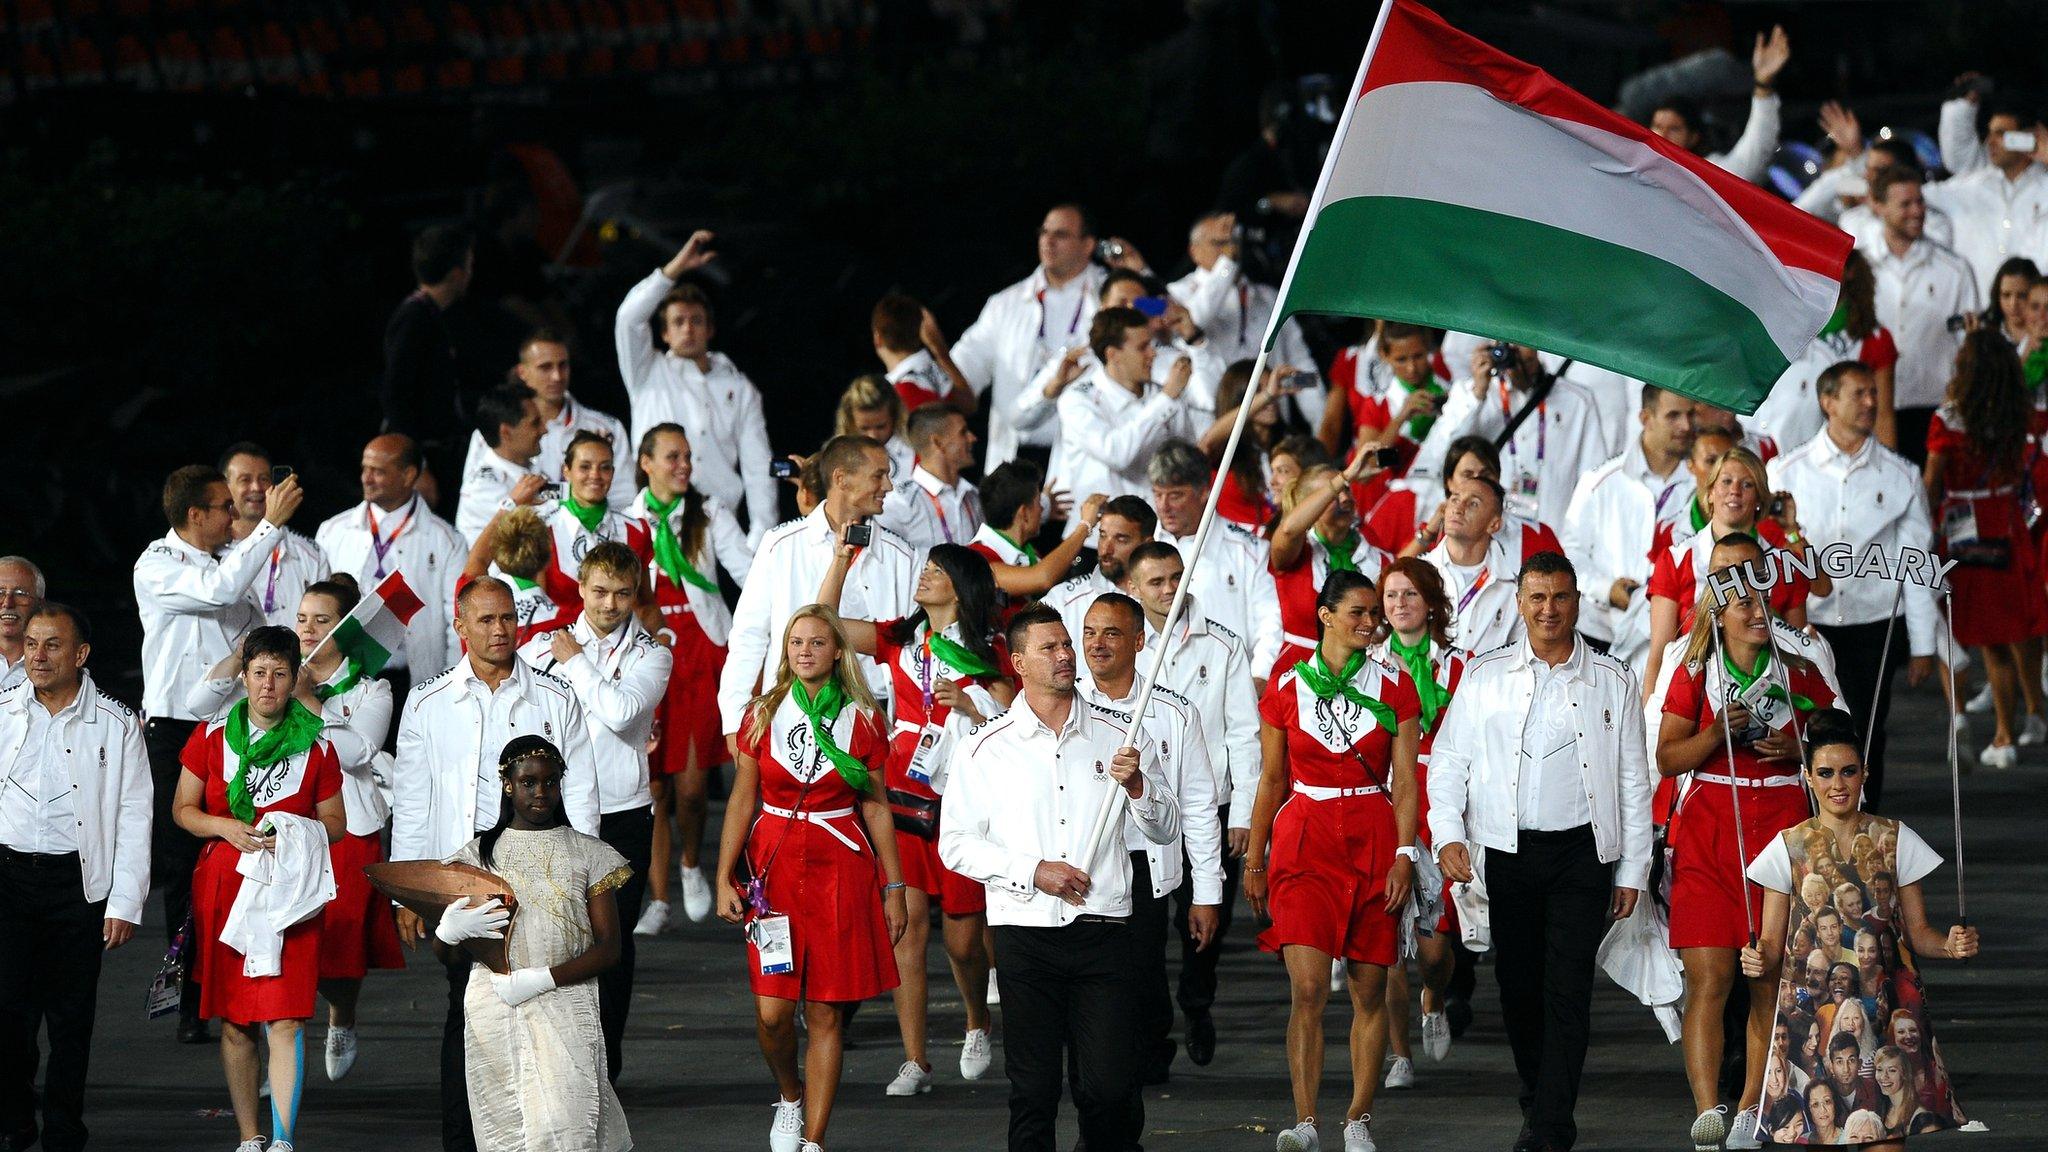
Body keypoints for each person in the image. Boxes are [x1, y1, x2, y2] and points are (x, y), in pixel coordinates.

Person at [1429, 552, 1654, 1152]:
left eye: (1559, 597)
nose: (1548, 609)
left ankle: (1553, 1123)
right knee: (1519, 985)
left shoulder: (1613, 678)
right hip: (1508, 852)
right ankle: (1538, 1096)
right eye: (1537, 598)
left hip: (1585, 854)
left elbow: (1635, 781)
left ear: (1578, 602)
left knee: (1568, 986)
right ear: (1520, 604)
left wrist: (1633, 867)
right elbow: (1450, 759)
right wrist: (1448, 831)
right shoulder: (1486, 675)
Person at [939, 603, 1180, 1152]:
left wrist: (1140, 786)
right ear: (1018, 661)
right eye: (1049, 648)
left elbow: (1165, 829)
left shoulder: (1121, 735)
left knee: (1110, 1089)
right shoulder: (985, 748)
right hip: (1027, 936)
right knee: (1033, 1090)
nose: (1067, 655)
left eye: (1066, 644)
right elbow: (955, 844)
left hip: (1106, 932)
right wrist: (1033, 871)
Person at [391, 578, 599, 1152]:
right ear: (460, 628)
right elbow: (412, 801)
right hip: (462, 893)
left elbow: (582, 798)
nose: (501, 629)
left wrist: (582, 886)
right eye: (486, 620)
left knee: (547, 1016)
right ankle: (468, 1141)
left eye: (508, 618)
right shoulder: (427, 703)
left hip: (545, 887)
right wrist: (406, 895)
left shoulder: (556, 699)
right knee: (470, 1014)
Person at [185, 580, 403, 1083]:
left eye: (322, 620)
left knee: (338, 955)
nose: (308, 629)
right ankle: (276, 1054)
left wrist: (307, 699)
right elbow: (199, 704)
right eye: (302, 618)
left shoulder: (371, 688)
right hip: (269, 839)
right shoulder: (268, 676)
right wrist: (243, 661)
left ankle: (341, 1016)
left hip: (343, 830)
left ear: (345, 629)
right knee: (270, 946)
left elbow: (356, 753)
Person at [1656, 557, 1839, 1150]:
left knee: (1767, 978)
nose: (1760, 613)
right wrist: (1715, 735)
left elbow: (1842, 741)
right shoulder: (1693, 671)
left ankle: (1747, 1107)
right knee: (1708, 977)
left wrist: (1799, 744)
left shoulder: (1798, 668)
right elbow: (1667, 757)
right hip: (1710, 828)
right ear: (1721, 613)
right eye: (1746, 605)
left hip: (1781, 828)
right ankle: (1707, 1107)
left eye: (1764, 603)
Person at [1739, 709, 1980, 1148]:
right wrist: (1756, 958)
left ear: (1864, 774)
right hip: (1811, 1023)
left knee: (1887, 1141)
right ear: (1808, 777)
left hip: (1885, 1018)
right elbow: (1772, 946)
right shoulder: (1786, 847)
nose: (1838, 784)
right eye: (1826, 773)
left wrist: (1949, 945)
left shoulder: (1895, 837)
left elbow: (1918, 934)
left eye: (1848, 772)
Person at [819, 543, 1010, 1096]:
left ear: (962, 586)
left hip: (964, 794)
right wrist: (840, 561)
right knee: (905, 925)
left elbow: (1013, 711)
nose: (923, 576)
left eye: (936, 570)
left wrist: (972, 708)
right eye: (924, 568)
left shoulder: (990, 648)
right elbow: (824, 623)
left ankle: (977, 1020)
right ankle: (916, 1060)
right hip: (902, 788)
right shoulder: (900, 639)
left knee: (964, 942)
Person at [713, 607, 906, 1152]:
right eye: (795, 642)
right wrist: (725, 874)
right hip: (774, 872)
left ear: (837, 651)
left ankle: (814, 1141)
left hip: (840, 868)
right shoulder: (763, 711)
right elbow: (742, 797)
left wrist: (894, 887)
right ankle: (790, 1095)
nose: (804, 651)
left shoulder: (864, 717)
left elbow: (876, 808)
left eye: (816, 642)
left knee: (825, 1011)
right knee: (772, 1014)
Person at [1245, 571, 1420, 1152]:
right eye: (1357, 612)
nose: (1371, 623)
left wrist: (1403, 853)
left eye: (1376, 613)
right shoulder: (1287, 684)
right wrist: (1253, 857)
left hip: (1373, 837)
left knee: (1371, 991)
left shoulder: (1396, 685)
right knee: (1309, 989)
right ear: (1324, 615)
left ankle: (1357, 1117)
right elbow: (1272, 778)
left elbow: (1405, 785)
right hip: (1304, 842)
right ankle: (1305, 1121)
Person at [136, 463, 306, 1044]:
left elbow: (253, 631)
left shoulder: (227, 565)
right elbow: (221, 592)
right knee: (185, 869)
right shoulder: (157, 565)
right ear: (194, 515)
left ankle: (240, 981)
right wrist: (272, 528)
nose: (235, 515)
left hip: (236, 727)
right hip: (178, 729)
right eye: (223, 507)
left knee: (247, 852)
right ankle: (188, 997)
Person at [172, 626, 347, 1152]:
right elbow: (183, 810)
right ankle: (250, 1136)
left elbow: (336, 822)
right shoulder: (211, 735)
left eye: (279, 674)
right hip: (225, 887)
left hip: (289, 890)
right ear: (243, 676)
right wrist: (225, 827)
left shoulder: (316, 743)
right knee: (236, 1021)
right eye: (258, 673)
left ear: (295, 679)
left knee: (288, 1017)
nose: (268, 684)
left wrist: (290, 831)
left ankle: (285, 1138)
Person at [516, 542, 671, 1082]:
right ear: (579, 588)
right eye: (599, 591)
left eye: (622, 593)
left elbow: (624, 711)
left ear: (635, 594)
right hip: (549, 815)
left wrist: (576, 663)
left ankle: (604, 1066)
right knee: (548, 937)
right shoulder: (538, 649)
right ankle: (554, 1064)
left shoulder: (653, 653)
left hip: (622, 815)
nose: (609, 604)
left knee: (611, 944)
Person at [0, 604, 151, 1152]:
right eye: (32, 644)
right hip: (8, 880)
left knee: (70, 1021)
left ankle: (64, 1131)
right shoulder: (3, 709)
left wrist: (125, 902)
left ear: (81, 654)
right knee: (8, 1015)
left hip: (77, 887)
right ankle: (15, 1117)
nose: (37, 656)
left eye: (52, 645)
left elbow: (136, 813)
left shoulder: (116, 723)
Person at [435, 735, 631, 1152]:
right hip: (494, 1003)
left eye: (550, 782)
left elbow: (610, 948)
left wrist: (541, 979)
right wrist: (446, 932)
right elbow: (450, 955)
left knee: (567, 1120)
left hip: (566, 999)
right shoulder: (476, 857)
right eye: (529, 783)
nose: (541, 793)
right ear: (508, 785)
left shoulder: (589, 853)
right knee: (505, 1125)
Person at [1769, 362, 1941, 805]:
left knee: (1865, 732)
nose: (1871, 402)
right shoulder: (1785, 472)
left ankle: (1866, 837)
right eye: (1858, 393)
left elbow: (1917, 565)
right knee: (1806, 729)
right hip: (1806, 626)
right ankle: (1810, 831)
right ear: (1827, 402)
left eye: (1873, 393)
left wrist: (1924, 643)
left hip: (1874, 625)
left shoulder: (1901, 475)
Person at [1076, 593, 1223, 1094]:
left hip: (1142, 868)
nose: (1097, 644)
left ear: (1140, 642)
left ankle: (1145, 1059)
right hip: (1077, 864)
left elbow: (1200, 808)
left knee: (1141, 976)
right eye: (1090, 632)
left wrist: (1206, 894)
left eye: (1111, 633)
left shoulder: (1175, 714)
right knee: (1085, 979)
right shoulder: (1057, 705)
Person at [1121, 541, 1260, 1066]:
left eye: (1176, 577)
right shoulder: (1122, 647)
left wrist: (1244, 811)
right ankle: (1155, 1035)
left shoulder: (1223, 646)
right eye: (1155, 581)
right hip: (1141, 810)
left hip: (1211, 806)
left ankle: (1198, 1005)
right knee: (1146, 930)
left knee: (1204, 922)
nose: (1169, 589)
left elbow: (1246, 734)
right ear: (1132, 587)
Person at [627, 424, 753, 932]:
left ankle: (691, 864)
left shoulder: (709, 512)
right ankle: (658, 900)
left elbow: (745, 569)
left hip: (701, 646)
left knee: (696, 786)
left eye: (688, 456)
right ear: (646, 462)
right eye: (672, 456)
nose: (684, 465)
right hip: (645, 648)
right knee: (653, 785)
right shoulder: (627, 519)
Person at [718, 435, 919, 751]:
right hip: (792, 716)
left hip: (874, 722)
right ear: (841, 478)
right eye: (879, 475)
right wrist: (734, 721)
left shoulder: (903, 557)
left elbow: (911, 651)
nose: (889, 487)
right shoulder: (780, 545)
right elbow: (748, 636)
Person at [1365, 559, 1469, 1088]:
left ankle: (1435, 995)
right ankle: (1399, 1054)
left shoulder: (1464, 665)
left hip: (1446, 808)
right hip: (1389, 803)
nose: (1398, 603)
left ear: (1432, 602)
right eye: (1390, 595)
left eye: (1409, 594)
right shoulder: (1368, 668)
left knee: (1433, 951)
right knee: (1388, 939)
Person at [1925, 329, 2048, 767]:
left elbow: (1931, 486)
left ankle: (1975, 723)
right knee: (2003, 637)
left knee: (1950, 628)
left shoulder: (1949, 420)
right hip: (2008, 529)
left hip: (1962, 529)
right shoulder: (2019, 417)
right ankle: (2008, 731)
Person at [614, 230, 778, 545]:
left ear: (710, 328)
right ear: (663, 333)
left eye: (696, 320)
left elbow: (758, 464)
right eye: (678, 322)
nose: (687, 328)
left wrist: (761, 534)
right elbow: (628, 318)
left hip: (717, 525)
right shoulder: (647, 371)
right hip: (654, 522)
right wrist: (673, 270)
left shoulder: (739, 387)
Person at [1641, 446, 1817, 703]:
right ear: (1709, 493)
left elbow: (1796, 648)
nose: (1735, 490)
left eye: (1747, 485)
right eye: (1726, 481)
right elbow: (1659, 652)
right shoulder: (1676, 559)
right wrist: (1650, 720)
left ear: (1759, 501)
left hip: (1771, 700)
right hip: (1693, 701)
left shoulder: (1783, 563)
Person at [949, 204, 1108, 470]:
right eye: (1044, 232)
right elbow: (964, 367)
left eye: (1060, 234)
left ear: (1088, 244)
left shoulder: (1115, 293)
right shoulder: (1005, 304)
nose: (1047, 240)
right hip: (1013, 457)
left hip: (1082, 458)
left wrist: (1142, 274)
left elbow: (1166, 311)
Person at [315, 434, 467, 708]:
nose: (366, 478)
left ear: (408, 475)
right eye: (365, 468)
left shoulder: (447, 540)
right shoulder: (333, 531)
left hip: (412, 681)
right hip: (342, 682)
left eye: (378, 471)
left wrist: (452, 684)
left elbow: (455, 620)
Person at [1563, 386, 1698, 664]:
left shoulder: (1704, 485)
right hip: (1601, 634)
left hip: (1674, 640)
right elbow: (1570, 553)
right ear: (1645, 418)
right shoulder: (1600, 481)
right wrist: (1606, 588)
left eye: (1690, 415)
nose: (1685, 425)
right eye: (1673, 416)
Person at [1858, 165, 1980, 465]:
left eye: (1920, 202)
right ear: (1879, 206)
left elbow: (1971, 345)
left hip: (1934, 410)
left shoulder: (1955, 269)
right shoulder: (1858, 270)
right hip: (1867, 410)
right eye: (1905, 204)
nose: (1917, 211)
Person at [1425, 342, 1608, 529]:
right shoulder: (1471, 393)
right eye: (1508, 345)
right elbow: (1442, 456)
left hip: (1553, 531)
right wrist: (1477, 394)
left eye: (1522, 345)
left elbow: (1593, 478)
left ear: (1537, 345)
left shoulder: (1577, 400)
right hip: (1488, 533)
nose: (1516, 355)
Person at [1167, 211, 1322, 422]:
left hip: (1272, 423)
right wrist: (1226, 266)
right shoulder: (1177, 294)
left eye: (1233, 242)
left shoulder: (1268, 297)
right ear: (1195, 252)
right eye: (1218, 243)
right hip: (1216, 422)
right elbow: (1196, 320)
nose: (1231, 249)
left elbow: (1299, 361)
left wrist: (1320, 421)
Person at [1150, 438, 1285, 680]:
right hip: (1161, 686)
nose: (1164, 506)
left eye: (1176, 495)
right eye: (1158, 495)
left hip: (1231, 685)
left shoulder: (1249, 549)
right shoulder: (1144, 545)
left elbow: (1270, 620)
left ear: (1204, 492)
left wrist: (1259, 677)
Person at [459, 330, 636, 512]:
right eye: (545, 367)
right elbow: (474, 500)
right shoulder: (490, 433)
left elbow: (624, 500)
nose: (557, 376)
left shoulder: (606, 428)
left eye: (563, 366)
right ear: (522, 372)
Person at [1045, 307, 1199, 504]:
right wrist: (1167, 398)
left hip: (1157, 528)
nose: (1152, 353)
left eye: (1151, 345)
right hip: (1099, 530)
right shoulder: (1076, 400)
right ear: (1113, 354)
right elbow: (1116, 453)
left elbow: (1187, 458)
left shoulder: (1163, 396)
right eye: (1142, 347)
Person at [1267, 453, 1393, 686]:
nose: (1345, 499)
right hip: (1298, 676)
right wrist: (1345, 476)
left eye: (1348, 490)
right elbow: (1288, 530)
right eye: (1334, 494)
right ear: (1309, 505)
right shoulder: (1297, 554)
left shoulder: (1380, 559)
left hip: (1363, 678)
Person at [1755, 251, 1899, 452]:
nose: (1817, 273)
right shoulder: (1776, 326)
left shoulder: (1873, 339)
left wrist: (1889, 469)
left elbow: (1882, 416)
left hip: (1835, 457)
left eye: (1826, 261)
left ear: (1849, 271)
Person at [380, 223, 472, 504]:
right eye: (469, 265)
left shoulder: (434, 316)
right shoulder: (414, 318)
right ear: (457, 274)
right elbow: (396, 395)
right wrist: (415, 467)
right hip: (424, 456)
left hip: (441, 451)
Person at [1922, 99, 2048, 297]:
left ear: (2028, 137)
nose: (1990, 141)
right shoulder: (1972, 186)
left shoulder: (2045, 185)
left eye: (2001, 134)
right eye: (1990, 133)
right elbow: (1911, 196)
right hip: (1979, 315)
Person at [965, 461, 1107, 631]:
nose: (1042, 509)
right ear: (1024, 513)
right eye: (1039, 502)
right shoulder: (977, 559)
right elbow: (1042, 578)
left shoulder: (1028, 553)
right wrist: (1085, 525)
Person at [530, 432, 653, 621]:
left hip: (619, 646)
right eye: (585, 467)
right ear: (566, 471)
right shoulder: (539, 527)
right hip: (558, 641)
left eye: (604, 467)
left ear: (612, 472)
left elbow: (645, 604)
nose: (595, 475)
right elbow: (535, 609)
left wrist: (662, 633)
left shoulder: (636, 530)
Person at [1645, 26, 1791, 184]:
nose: (1663, 134)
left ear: (1693, 138)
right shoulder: (1631, 166)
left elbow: (1754, 151)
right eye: (1657, 126)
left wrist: (1763, 84)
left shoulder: (1705, 177)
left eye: (1674, 129)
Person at [218, 444, 332, 629]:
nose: (256, 487)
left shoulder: (309, 553)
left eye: (264, 479)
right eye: (245, 479)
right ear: (224, 486)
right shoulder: (209, 553)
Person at [1319, 323, 1450, 473]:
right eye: (1401, 359)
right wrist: (1400, 419)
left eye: (1418, 356)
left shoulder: (1450, 388)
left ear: (1429, 349)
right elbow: (1368, 464)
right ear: (1384, 355)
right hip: (1389, 487)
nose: (1411, 367)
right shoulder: (1376, 403)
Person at [1420, 477, 1527, 656]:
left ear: (1494, 524)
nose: (1458, 508)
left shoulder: (1514, 591)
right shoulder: (1418, 575)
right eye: (1454, 499)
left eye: (1473, 504)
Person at [1043, 495, 1156, 642]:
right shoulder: (1064, 599)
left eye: (1120, 539)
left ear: (1147, 545)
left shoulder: (1164, 601)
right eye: (1102, 536)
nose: (1105, 549)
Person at [457, 506, 570, 645]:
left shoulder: (469, 601)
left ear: (496, 556)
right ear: (548, 560)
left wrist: (509, 504)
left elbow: (478, 560)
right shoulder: (567, 625)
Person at [880, 403, 983, 550]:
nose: (972, 438)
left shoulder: (974, 496)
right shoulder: (898, 503)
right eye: (963, 432)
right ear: (938, 442)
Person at [455, 382, 547, 544]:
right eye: (535, 423)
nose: (544, 430)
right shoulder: (482, 488)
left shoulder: (533, 466)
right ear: (506, 432)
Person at [872, 292, 974, 415]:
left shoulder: (895, 393)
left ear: (878, 339)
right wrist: (939, 350)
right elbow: (969, 405)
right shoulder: (935, 372)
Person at [836, 373, 917, 483]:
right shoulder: (837, 459)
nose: (873, 436)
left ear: (895, 417)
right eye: (864, 428)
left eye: (881, 427)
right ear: (850, 422)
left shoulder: (917, 451)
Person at [0, 557, 41, 693]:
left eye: (20, 594)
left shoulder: (55, 664)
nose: (7, 602)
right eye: (0, 592)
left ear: (40, 604)